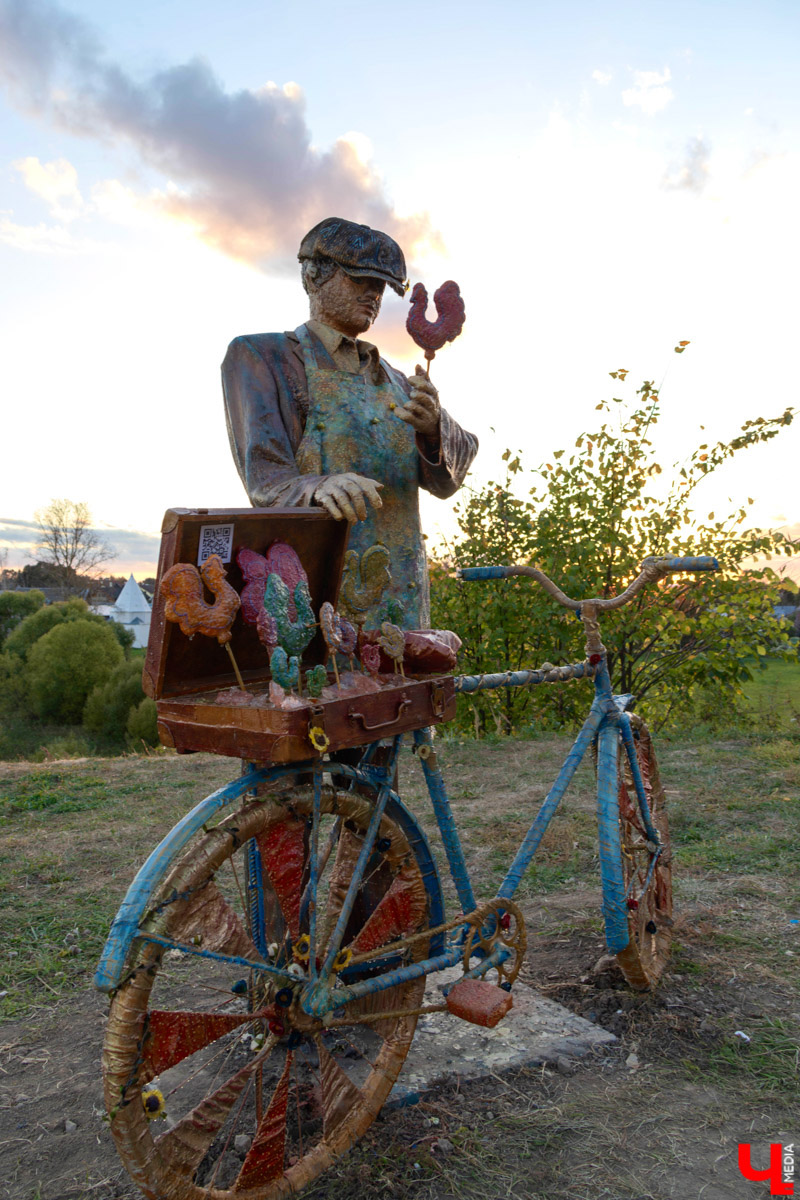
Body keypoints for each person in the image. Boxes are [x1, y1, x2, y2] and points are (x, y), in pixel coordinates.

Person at [222, 216, 478, 628]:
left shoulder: (396, 380)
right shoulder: (263, 358)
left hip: (403, 605)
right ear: (314, 275)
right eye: (359, 280)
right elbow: (266, 482)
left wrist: (432, 430)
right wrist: (319, 485)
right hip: (316, 600)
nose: (373, 294)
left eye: (380, 286)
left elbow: (452, 473)